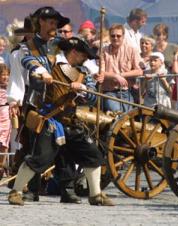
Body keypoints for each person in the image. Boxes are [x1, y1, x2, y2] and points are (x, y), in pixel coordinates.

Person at [8, 37, 114, 207]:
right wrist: (43, 72)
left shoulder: (83, 73)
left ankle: (96, 195)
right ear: (74, 53)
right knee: (39, 159)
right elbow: (26, 59)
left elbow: (94, 98)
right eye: (83, 56)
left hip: (71, 123)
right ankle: (16, 192)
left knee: (93, 155)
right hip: (51, 122)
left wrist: (84, 90)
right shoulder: (50, 62)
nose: (85, 59)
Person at [7, 6, 79, 204]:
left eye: (56, 23)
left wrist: (85, 75)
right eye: (51, 22)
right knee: (36, 145)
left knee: (65, 146)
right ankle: (32, 189)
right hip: (36, 101)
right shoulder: (24, 48)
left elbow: (76, 66)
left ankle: (68, 189)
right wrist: (15, 100)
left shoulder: (62, 46)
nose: (54, 26)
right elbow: (17, 77)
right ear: (41, 23)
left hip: (61, 102)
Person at [95, 23, 142, 112]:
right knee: (116, 113)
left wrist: (121, 75)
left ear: (123, 36)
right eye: (113, 36)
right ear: (109, 36)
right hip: (109, 92)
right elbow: (101, 71)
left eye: (118, 36)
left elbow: (139, 71)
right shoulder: (103, 50)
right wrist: (115, 76)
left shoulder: (132, 50)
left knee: (127, 118)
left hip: (127, 92)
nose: (115, 38)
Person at [0, 63, 10, 179]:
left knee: (4, 141)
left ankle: (2, 166)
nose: (5, 77)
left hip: (6, 113)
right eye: (3, 75)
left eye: (7, 75)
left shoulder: (10, 86)